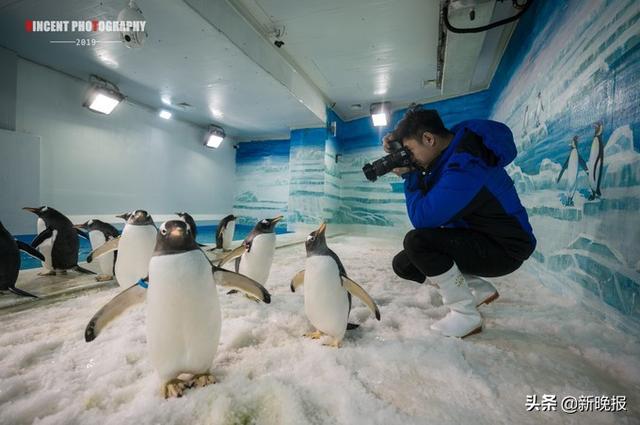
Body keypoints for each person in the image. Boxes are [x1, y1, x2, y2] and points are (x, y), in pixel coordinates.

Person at [384, 107, 536, 338]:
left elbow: (423, 219)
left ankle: (466, 314)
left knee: (417, 241)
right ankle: (477, 288)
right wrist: (396, 140)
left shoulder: (466, 165)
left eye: (410, 151)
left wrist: (409, 175)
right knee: (405, 264)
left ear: (429, 138)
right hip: (480, 238)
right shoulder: (450, 151)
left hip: (507, 250)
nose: (410, 158)